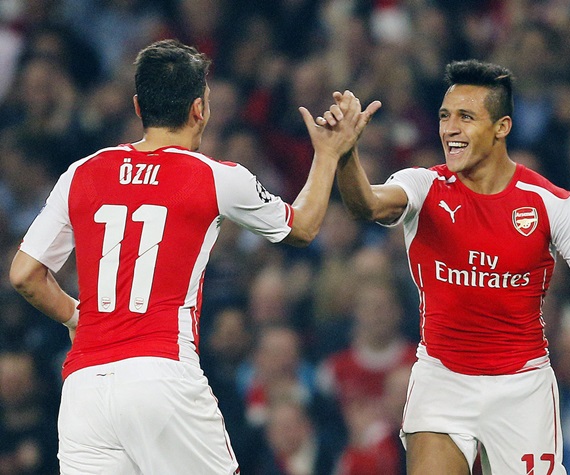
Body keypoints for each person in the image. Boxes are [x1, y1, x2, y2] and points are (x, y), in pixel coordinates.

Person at [8, 39, 380, 475]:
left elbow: (25, 274)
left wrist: (77, 318)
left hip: (84, 387)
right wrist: (328, 154)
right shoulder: (213, 177)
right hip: (161, 373)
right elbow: (303, 227)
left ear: (138, 106)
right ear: (200, 109)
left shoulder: (82, 172)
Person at [321, 60, 570, 474]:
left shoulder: (550, 203)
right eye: (444, 116)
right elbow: (368, 205)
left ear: (502, 127)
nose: (450, 129)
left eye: (465, 117)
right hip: (442, 379)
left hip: (522, 387)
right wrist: (346, 155)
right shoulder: (424, 186)